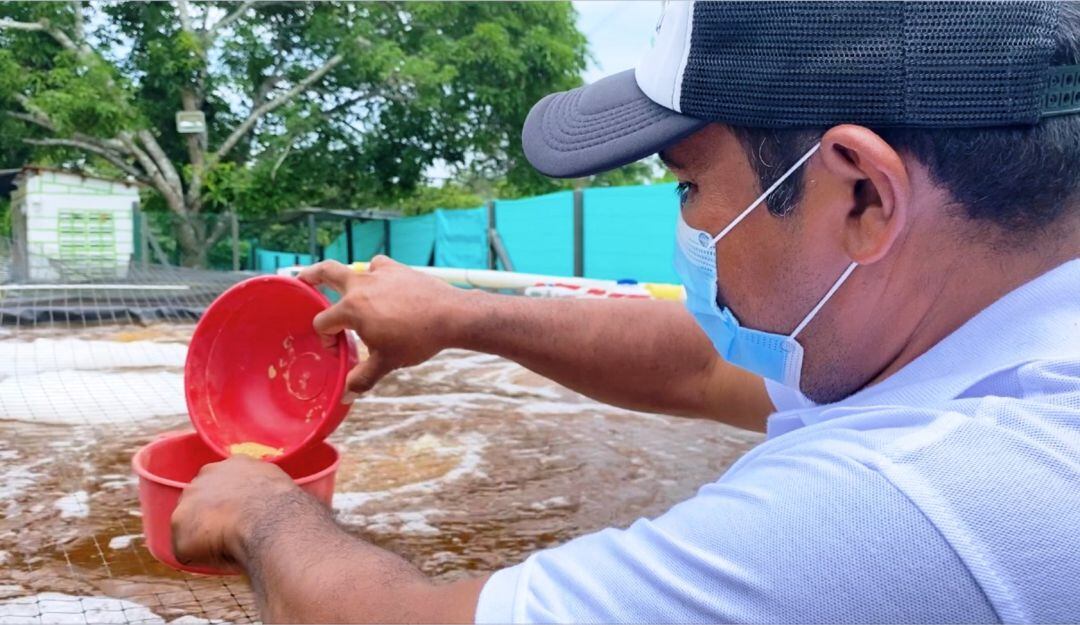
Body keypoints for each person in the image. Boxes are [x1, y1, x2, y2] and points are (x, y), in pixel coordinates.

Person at [171, 2, 1080, 622]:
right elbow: (704, 366)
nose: (684, 226)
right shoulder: (978, 332)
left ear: (862, 198)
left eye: (689, 185)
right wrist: (461, 314)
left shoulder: (915, 501)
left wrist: (262, 513)